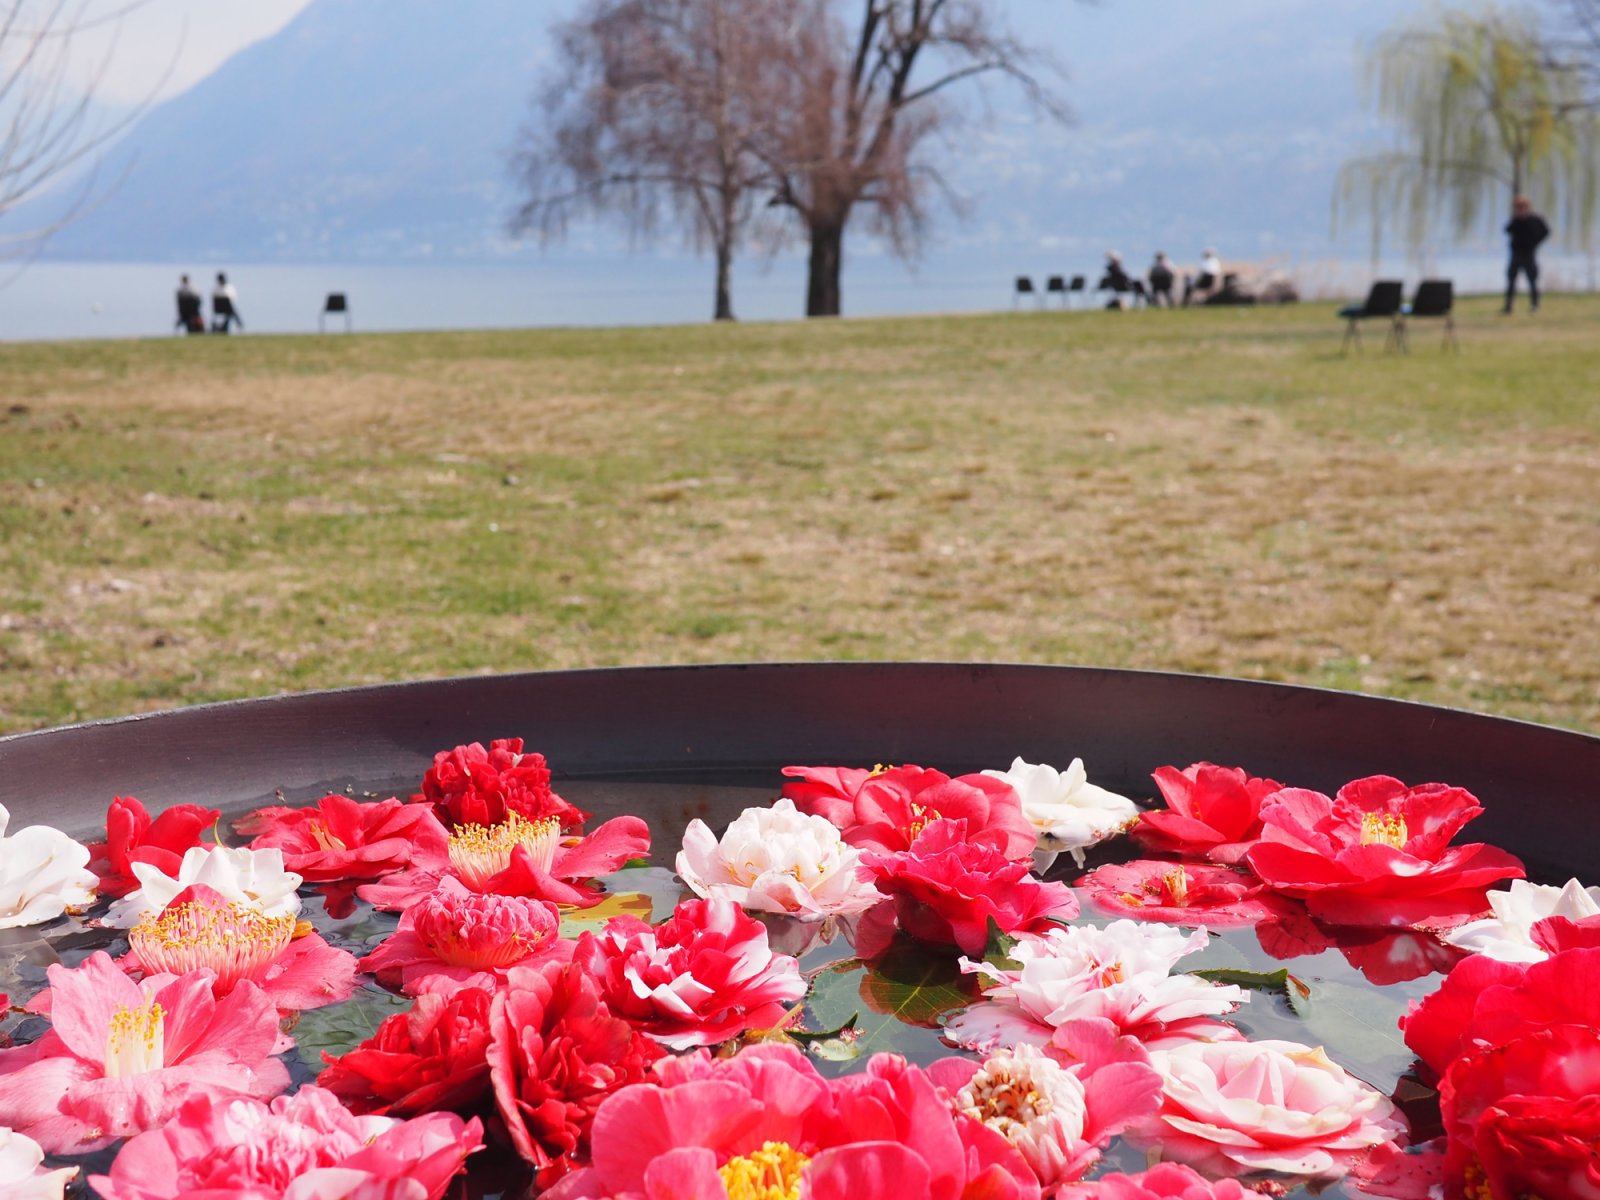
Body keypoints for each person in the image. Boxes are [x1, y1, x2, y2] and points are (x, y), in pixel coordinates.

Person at [1503, 195, 1549, 314]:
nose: (1520, 209)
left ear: (1527, 207)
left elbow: (1546, 232)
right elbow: (1507, 230)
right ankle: (1509, 306)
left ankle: (1535, 305)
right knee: (1511, 281)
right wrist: (1516, 219)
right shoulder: (1516, 220)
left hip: (1529, 254)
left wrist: (1535, 243)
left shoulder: (1534, 220)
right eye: (1517, 207)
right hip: (1516, 255)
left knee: (1532, 281)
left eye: (1521, 207)